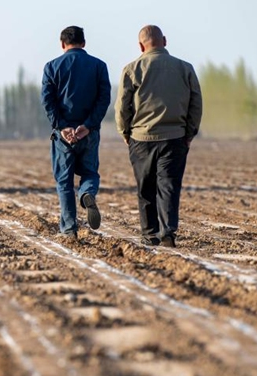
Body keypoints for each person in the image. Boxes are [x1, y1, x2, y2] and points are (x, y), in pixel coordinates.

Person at [115, 25, 203, 247]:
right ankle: (168, 234)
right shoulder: (185, 68)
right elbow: (196, 104)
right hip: (175, 138)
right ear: (164, 40)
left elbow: (122, 106)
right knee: (169, 187)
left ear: (140, 45)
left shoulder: (132, 69)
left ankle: (149, 233)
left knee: (145, 188)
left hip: (141, 138)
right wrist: (190, 132)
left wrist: (125, 132)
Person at [41, 25, 111, 239]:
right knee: (90, 173)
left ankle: (69, 230)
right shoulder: (99, 66)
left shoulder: (52, 67)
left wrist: (62, 126)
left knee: (64, 181)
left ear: (63, 44)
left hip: (63, 136)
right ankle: (87, 193)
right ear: (84, 43)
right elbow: (104, 99)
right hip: (88, 133)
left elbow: (47, 100)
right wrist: (88, 125)